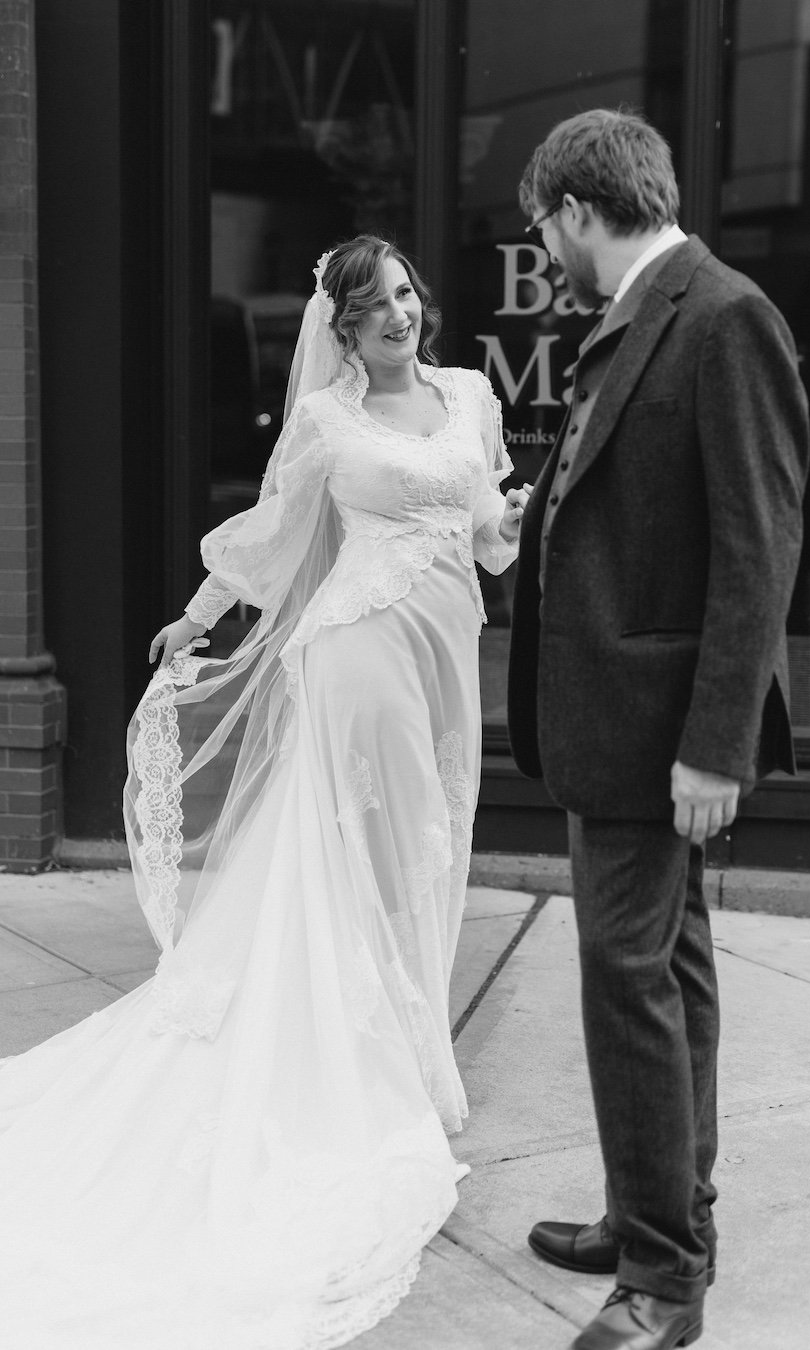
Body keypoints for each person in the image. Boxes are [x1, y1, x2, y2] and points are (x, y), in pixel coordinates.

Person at [0, 236, 528, 1348]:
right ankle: (380, 1077)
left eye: (406, 294)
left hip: (444, 657)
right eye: (372, 304)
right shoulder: (328, 422)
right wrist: (198, 619)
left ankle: (409, 1045)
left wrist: (513, 526)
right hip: (356, 653)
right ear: (338, 327)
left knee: (433, 850)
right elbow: (273, 538)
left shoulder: (475, 396)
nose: (398, 315)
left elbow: (485, 542)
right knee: (377, 856)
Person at [508, 110, 809, 1350]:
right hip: (618, 723)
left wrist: (717, 745)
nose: (548, 255)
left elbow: (759, 547)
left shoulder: (722, 314)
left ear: (581, 211)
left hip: (660, 734)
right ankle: (660, 1218)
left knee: (627, 983)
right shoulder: (645, 312)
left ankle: (665, 1283)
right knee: (667, 972)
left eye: (546, 231)